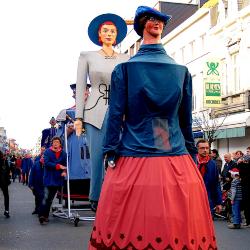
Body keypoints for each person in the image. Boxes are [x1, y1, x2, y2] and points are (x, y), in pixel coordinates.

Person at [89, 6, 217, 249]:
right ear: (141, 26)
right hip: (169, 158)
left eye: (159, 19)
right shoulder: (176, 71)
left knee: (128, 224)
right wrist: (111, 148)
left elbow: (183, 120)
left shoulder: (128, 70)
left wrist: (110, 151)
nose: (157, 22)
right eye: (151, 19)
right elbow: (119, 115)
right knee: (177, 224)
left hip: (141, 156)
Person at [74, 13, 129, 211]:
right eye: (105, 30)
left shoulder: (126, 58)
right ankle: (95, 196)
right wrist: (78, 117)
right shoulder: (87, 56)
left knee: (120, 155)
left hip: (119, 111)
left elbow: (129, 86)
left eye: (112, 31)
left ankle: (118, 194)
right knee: (97, 156)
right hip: (93, 112)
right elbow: (81, 87)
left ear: (117, 36)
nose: (109, 34)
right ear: (99, 33)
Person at [56, 83, 91, 204]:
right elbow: (58, 139)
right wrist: (68, 131)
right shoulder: (67, 113)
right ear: (74, 94)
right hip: (75, 154)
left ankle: (96, 198)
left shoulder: (96, 112)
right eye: (78, 92)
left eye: (84, 90)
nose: (82, 94)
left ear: (88, 92)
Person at [38, 136, 67, 224]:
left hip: (57, 179)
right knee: (45, 197)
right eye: (54, 142)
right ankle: (41, 215)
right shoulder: (47, 151)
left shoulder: (63, 153)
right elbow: (47, 163)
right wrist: (58, 166)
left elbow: (65, 164)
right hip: (48, 178)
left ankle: (46, 216)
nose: (55, 143)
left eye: (57, 142)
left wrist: (64, 171)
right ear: (52, 143)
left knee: (50, 199)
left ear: (60, 144)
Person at [196, 140, 222, 216]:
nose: (205, 150)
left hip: (207, 199)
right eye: (202, 148)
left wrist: (218, 202)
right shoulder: (192, 161)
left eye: (207, 148)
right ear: (197, 149)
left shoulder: (212, 164)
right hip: (193, 198)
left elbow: (216, 184)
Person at [28, 146, 46, 215]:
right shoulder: (36, 162)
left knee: (42, 197)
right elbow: (32, 173)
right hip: (36, 183)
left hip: (45, 184)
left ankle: (41, 212)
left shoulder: (48, 163)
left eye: (44, 150)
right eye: (42, 150)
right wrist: (30, 184)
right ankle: (37, 209)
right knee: (37, 197)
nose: (43, 151)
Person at [237, 146, 250, 227]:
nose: (246, 153)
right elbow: (241, 172)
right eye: (247, 151)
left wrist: (240, 163)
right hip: (245, 186)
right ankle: (248, 221)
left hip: (247, 185)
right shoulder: (245, 162)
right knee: (246, 203)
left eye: (248, 152)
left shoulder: (245, 163)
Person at [0, 150, 11, 218]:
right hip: (4, 181)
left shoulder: (5, 160)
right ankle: (6, 211)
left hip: (3, 181)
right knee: (6, 196)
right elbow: (8, 170)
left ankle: (6, 211)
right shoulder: (4, 161)